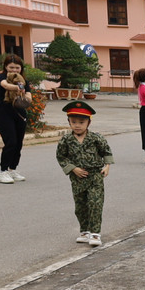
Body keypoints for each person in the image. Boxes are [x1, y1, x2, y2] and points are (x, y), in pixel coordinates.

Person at [54, 101, 112, 246]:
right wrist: (73, 168)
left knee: (95, 203)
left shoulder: (96, 138)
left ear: (88, 123)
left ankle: (95, 233)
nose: (77, 125)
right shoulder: (66, 140)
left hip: (95, 176)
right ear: (69, 122)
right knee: (80, 206)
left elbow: (106, 152)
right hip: (77, 178)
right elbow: (61, 157)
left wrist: (107, 167)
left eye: (81, 122)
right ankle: (84, 230)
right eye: (74, 122)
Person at [0, 54, 33, 184]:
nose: (14, 70)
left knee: (18, 143)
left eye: (17, 67)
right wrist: (18, 88)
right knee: (10, 141)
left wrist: (24, 96)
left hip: (20, 113)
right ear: (6, 67)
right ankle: (3, 171)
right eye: (11, 67)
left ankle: (13, 169)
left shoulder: (24, 81)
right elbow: (5, 85)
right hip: (4, 113)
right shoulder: (2, 77)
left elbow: (29, 97)